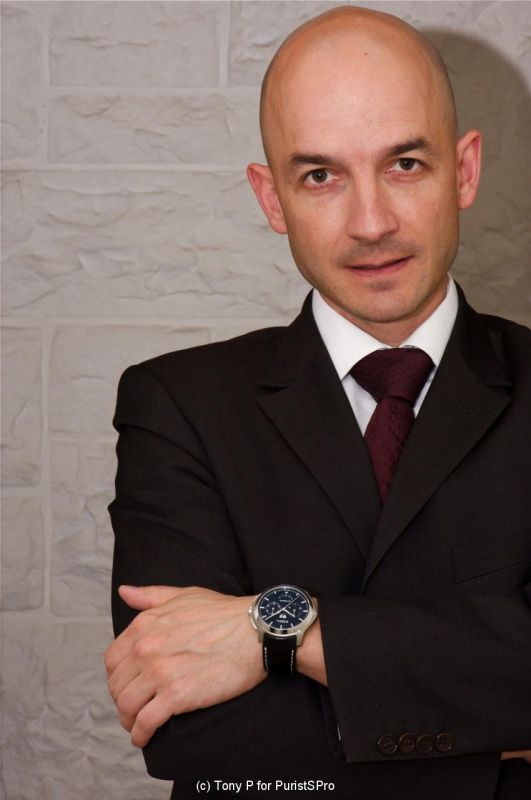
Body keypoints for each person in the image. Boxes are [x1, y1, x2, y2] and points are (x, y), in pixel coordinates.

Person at [104, 6, 531, 799]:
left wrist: (282, 627)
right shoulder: (177, 406)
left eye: (404, 163)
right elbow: (188, 728)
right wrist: (497, 743)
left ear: (464, 171)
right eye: (320, 176)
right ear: (272, 200)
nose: (370, 224)